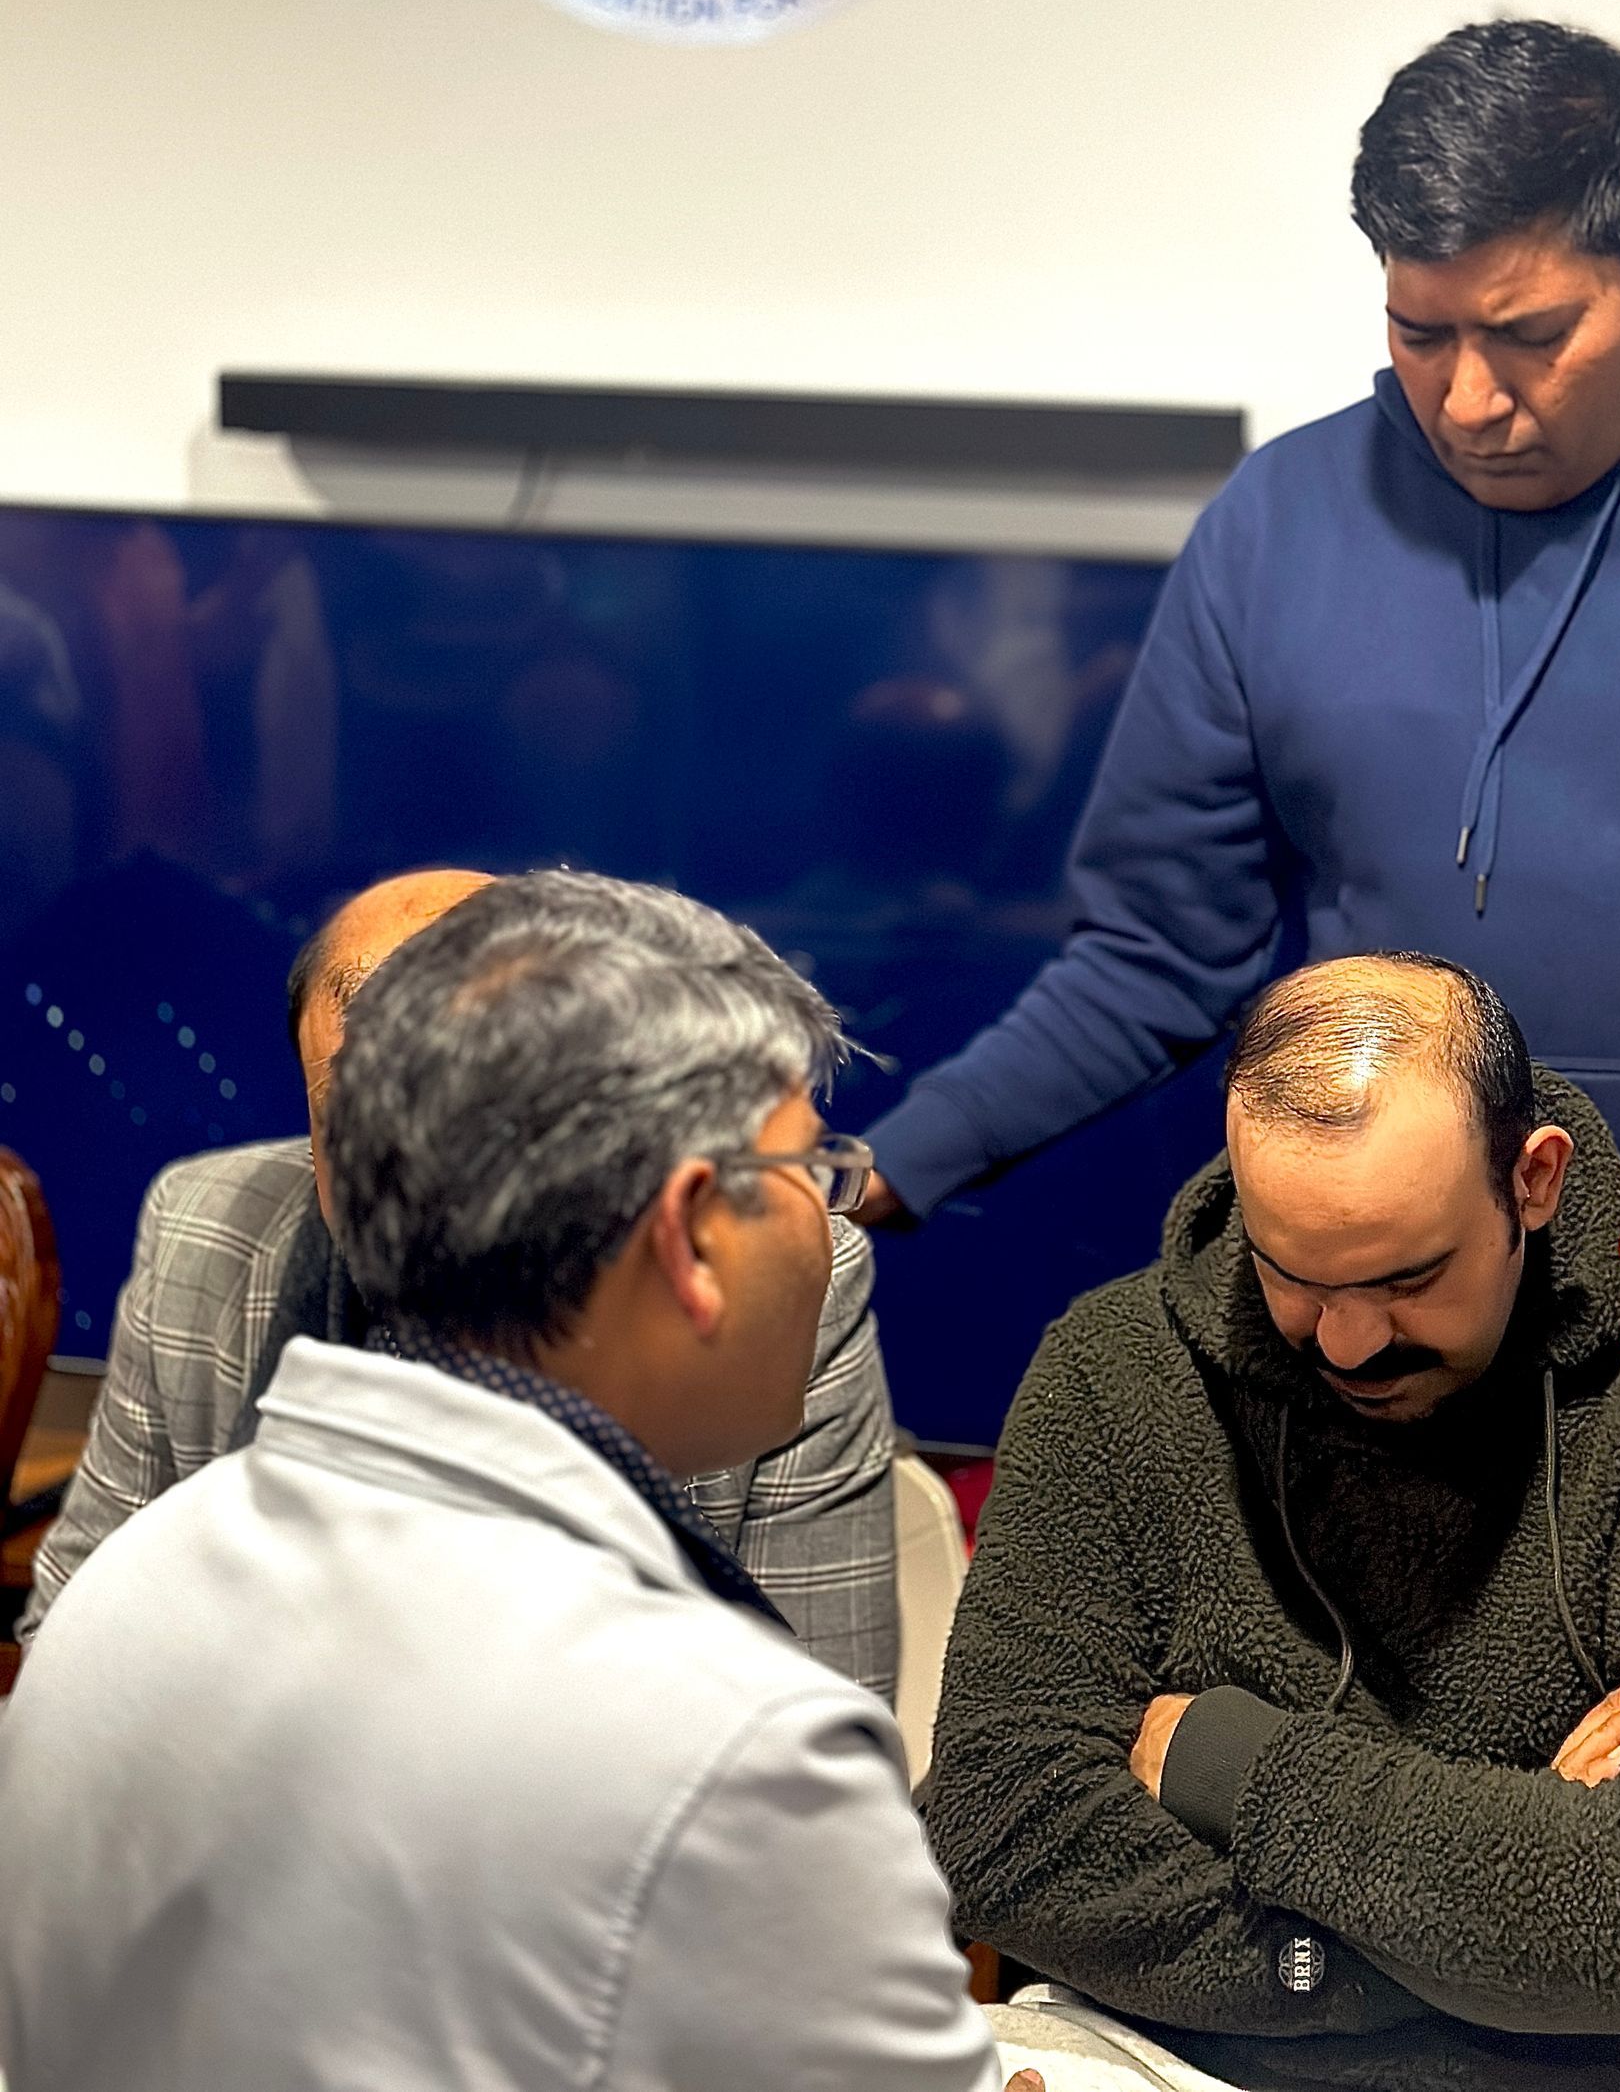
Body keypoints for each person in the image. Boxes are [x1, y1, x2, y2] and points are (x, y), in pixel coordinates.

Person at [859, 21, 1620, 2079]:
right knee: (1427, 1887)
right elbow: (1158, 949)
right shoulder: (1282, 524)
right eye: (1419, 333)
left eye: (1525, 333)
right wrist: (888, 1164)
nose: (1467, 397)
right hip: (1378, 1421)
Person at [0, 869, 1037, 2092]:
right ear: (694, 1231)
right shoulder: (742, 1757)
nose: (834, 1217)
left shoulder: (123, 1591)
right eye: (813, 1170)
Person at [923, 954, 1620, 2092]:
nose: (1348, 1342)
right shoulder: (1112, 1371)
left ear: (1535, 1178)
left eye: (1408, 1279)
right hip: (1139, 2055)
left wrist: (1225, 1757)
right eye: (1292, 1275)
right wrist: (1441, 1948)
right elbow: (998, 1822)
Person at [18, 866, 899, 1698]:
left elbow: (817, 1729)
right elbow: (78, 1654)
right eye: (365, 1127)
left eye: (481, 1119)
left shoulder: (774, 1261)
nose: (424, 1176)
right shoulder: (205, 1232)